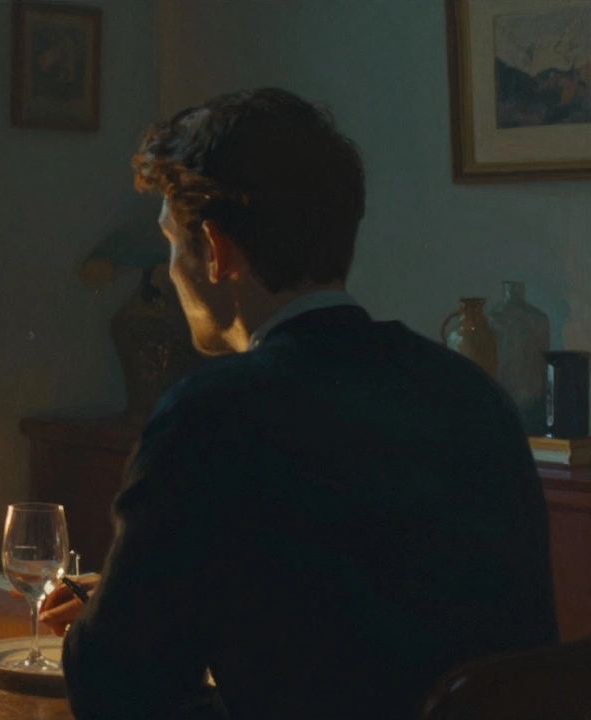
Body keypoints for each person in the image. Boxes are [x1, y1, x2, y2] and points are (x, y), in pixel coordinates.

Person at [40, 88, 558, 720]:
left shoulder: (212, 413)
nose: (174, 269)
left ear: (216, 247)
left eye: (173, 243)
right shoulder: (470, 392)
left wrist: (109, 619)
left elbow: (116, 686)